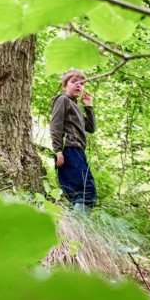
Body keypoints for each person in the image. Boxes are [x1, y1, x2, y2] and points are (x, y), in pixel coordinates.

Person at [50, 68, 97, 211]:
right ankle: (79, 228)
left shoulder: (74, 105)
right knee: (86, 190)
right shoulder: (63, 99)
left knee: (76, 193)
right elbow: (55, 125)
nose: (79, 85)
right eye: (74, 82)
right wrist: (58, 150)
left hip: (76, 151)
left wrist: (88, 106)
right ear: (65, 86)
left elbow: (90, 127)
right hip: (70, 150)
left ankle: (71, 228)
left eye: (82, 83)